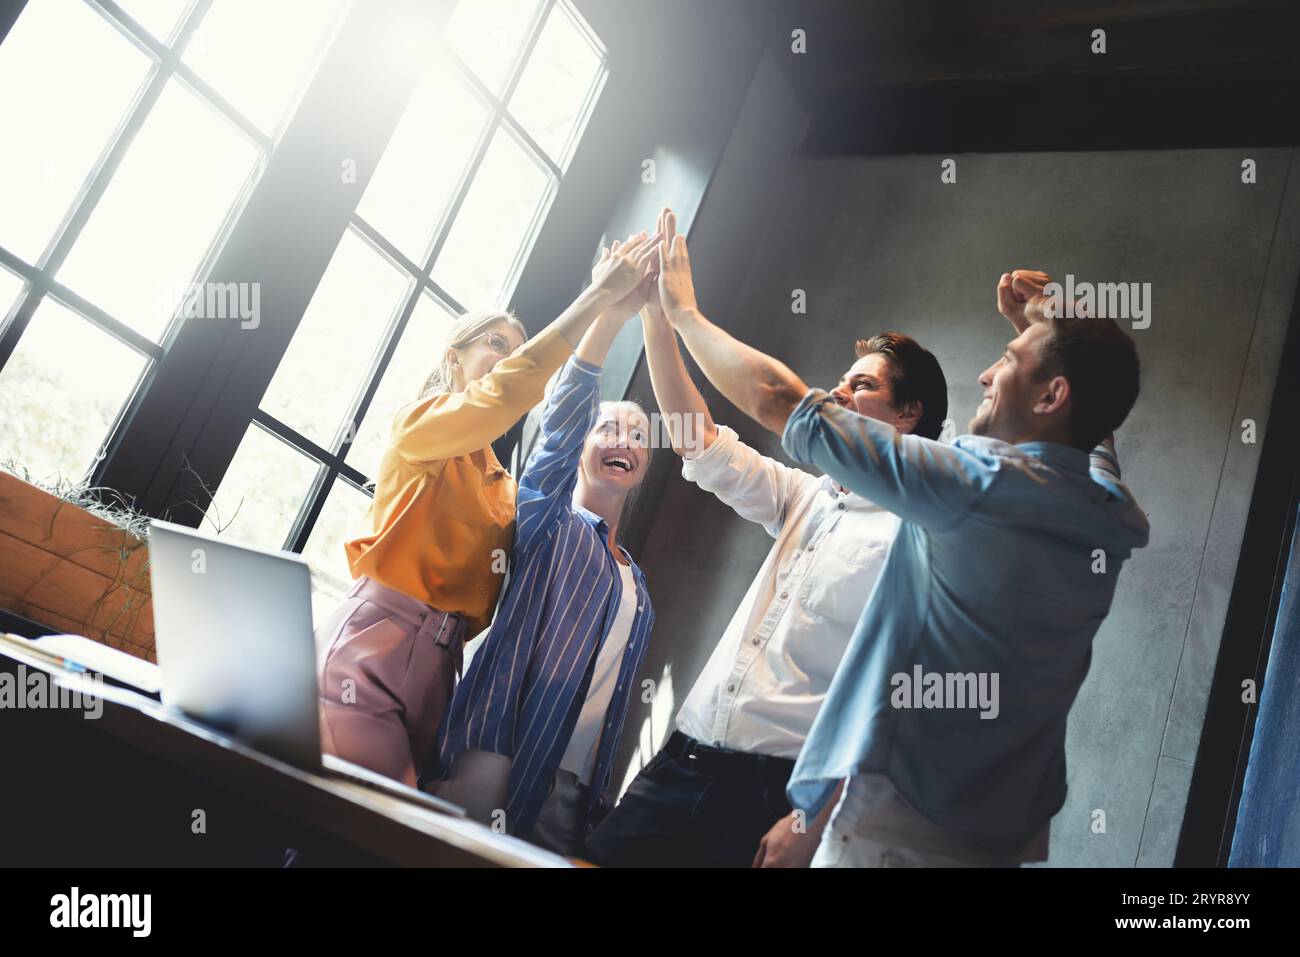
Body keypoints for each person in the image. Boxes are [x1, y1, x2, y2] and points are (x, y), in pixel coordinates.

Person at [652, 211, 1149, 867]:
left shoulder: (972, 488)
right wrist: (1057, 336)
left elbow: (779, 397)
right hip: (988, 843)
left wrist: (684, 311)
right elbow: (1093, 432)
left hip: (889, 833)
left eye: (1005, 360)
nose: (987, 375)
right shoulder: (1109, 517)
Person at [585, 209, 950, 867]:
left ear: (908, 414)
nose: (837, 392)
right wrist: (654, 315)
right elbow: (697, 438)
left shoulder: (924, 536)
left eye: (860, 385)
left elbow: (901, 700)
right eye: (841, 379)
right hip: (682, 758)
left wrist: (812, 815)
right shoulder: (804, 495)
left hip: (769, 796)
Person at [314, 231, 660, 788]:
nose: (510, 359)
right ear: (454, 359)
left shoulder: (502, 485)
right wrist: (596, 300)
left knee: (386, 835)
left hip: (446, 669)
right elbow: (502, 396)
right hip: (375, 642)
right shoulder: (419, 427)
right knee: (367, 819)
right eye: (497, 345)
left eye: (516, 349)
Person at [428, 245, 658, 857]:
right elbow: (558, 430)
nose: (623, 440)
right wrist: (608, 314)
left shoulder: (637, 583)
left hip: (573, 790)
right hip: (498, 751)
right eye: (608, 427)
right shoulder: (545, 519)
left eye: (638, 436)